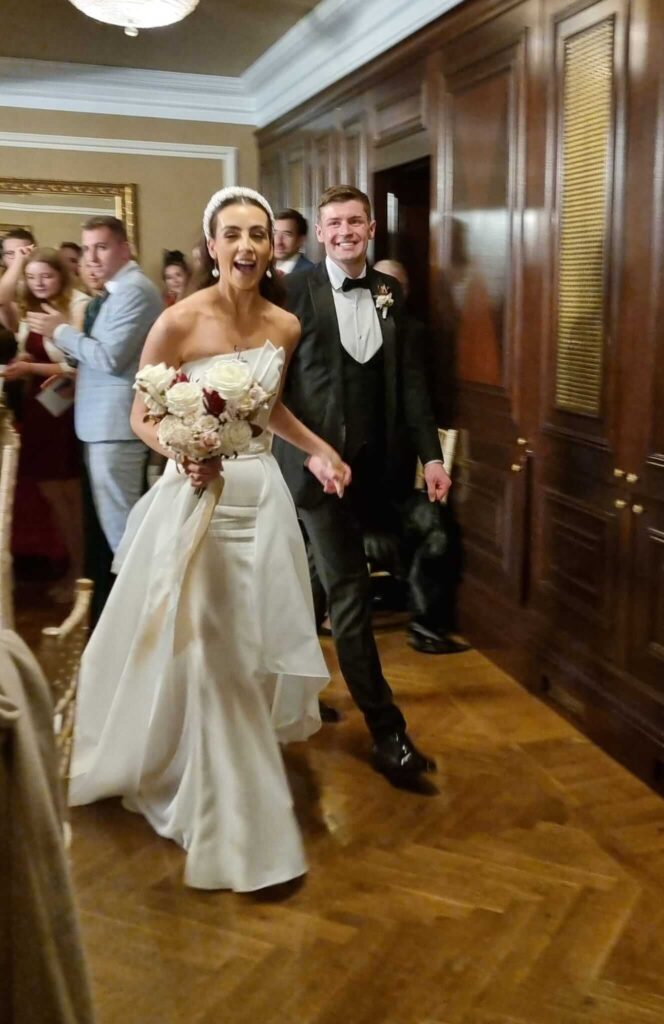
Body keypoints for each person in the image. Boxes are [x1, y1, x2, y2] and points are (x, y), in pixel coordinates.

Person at [68, 186, 351, 892]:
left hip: (261, 497)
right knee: (210, 648)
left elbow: (270, 406)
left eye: (258, 233)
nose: (247, 245)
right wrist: (179, 445)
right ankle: (240, 825)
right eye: (233, 234)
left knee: (248, 647)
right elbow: (141, 414)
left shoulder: (284, 325)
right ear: (212, 244)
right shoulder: (176, 322)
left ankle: (226, 776)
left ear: (271, 244)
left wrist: (319, 450)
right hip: (194, 498)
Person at [273, 185, 451, 786]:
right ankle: (387, 732)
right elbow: (270, 390)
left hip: (376, 474)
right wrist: (312, 453)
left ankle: (289, 696)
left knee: (317, 586)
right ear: (319, 234)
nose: (345, 230)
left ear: (371, 229)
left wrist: (431, 456)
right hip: (314, 475)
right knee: (349, 590)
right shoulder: (291, 292)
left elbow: (412, 383)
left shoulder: (389, 293)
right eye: (333, 223)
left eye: (355, 221)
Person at [26, 216, 163, 624]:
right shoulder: (112, 292)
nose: (92, 258)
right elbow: (94, 355)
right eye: (87, 249)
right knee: (114, 531)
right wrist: (62, 341)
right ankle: (130, 620)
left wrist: (62, 331)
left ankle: (141, 622)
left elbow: (110, 357)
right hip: (101, 425)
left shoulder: (136, 290)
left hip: (117, 427)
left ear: (125, 248)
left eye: (101, 247)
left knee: (124, 533)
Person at [373, 259, 468, 655]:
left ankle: (427, 629)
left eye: (398, 284)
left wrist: (431, 461)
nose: (389, 291)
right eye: (383, 283)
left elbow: (422, 404)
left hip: (403, 476)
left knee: (438, 533)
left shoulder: (416, 335)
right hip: (348, 478)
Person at [0, 248, 88, 599]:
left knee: (68, 494)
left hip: (63, 407)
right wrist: (19, 263)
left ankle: (80, 572)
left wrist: (30, 367)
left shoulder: (76, 305)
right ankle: (72, 568)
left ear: (61, 276)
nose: (39, 284)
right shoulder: (29, 309)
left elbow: (79, 365)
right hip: (38, 408)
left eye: (46, 276)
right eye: (32, 278)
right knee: (53, 495)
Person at [274, 209, 314, 275]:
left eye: (287, 234)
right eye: (274, 233)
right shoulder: (262, 269)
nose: (278, 242)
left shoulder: (312, 274)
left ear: (301, 240)